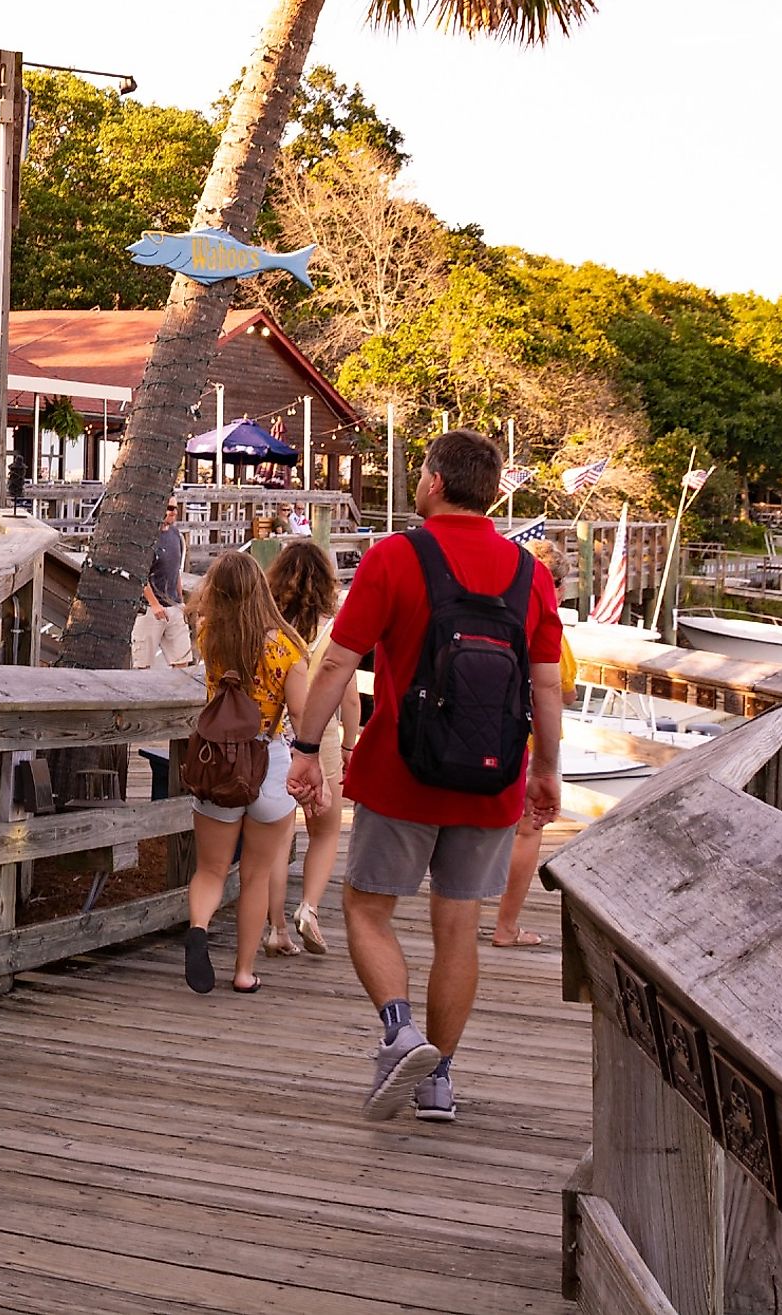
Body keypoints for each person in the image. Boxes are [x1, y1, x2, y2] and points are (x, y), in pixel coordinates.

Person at [287, 429, 563, 1125]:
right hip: (495, 778)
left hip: (399, 773)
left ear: (434, 482)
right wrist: (548, 769)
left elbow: (334, 664)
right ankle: (438, 1078)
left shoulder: (395, 557)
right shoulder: (532, 574)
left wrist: (304, 745)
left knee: (367, 910)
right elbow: (548, 686)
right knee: (458, 928)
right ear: (495, 492)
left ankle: (400, 1027)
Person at [178, 550, 310, 995]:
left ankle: (198, 927)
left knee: (211, 869)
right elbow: (302, 714)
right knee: (254, 875)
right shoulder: (286, 647)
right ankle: (244, 971)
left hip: (217, 761)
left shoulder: (210, 633)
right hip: (267, 762)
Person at [268, 538, 355, 957]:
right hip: (320, 738)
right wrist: (351, 744)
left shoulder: (269, 626)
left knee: (279, 836)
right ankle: (309, 908)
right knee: (325, 831)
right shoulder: (336, 631)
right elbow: (350, 697)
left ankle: (275, 927)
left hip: (277, 738)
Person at [491, 538, 579, 949]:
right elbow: (563, 693)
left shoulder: (494, 616)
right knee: (528, 831)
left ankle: (461, 914)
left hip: (491, 733)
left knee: (484, 829)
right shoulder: (552, 633)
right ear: (555, 586)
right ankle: (506, 925)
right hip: (532, 742)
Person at [134, 498, 195, 669]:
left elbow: (176, 571)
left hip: (174, 606)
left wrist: (181, 601)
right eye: (169, 508)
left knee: (182, 662)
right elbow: (140, 575)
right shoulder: (146, 539)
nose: (174, 511)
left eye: (176, 508)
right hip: (150, 609)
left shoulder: (177, 535)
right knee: (142, 665)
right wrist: (154, 605)